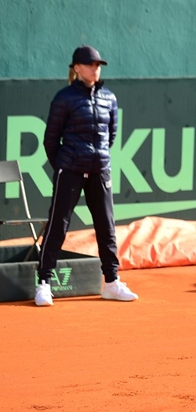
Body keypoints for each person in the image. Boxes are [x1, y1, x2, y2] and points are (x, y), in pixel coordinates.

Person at [34, 45, 138, 306]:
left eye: (98, 64)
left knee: (106, 226)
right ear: (77, 68)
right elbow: (50, 139)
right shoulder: (64, 98)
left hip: (99, 170)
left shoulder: (109, 98)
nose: (95, 68)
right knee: (59, 225)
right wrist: (64, 165)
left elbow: (110, 135)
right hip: (70, 169)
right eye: (90, 64)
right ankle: (44, 283)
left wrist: (97, 159)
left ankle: (112, 282)